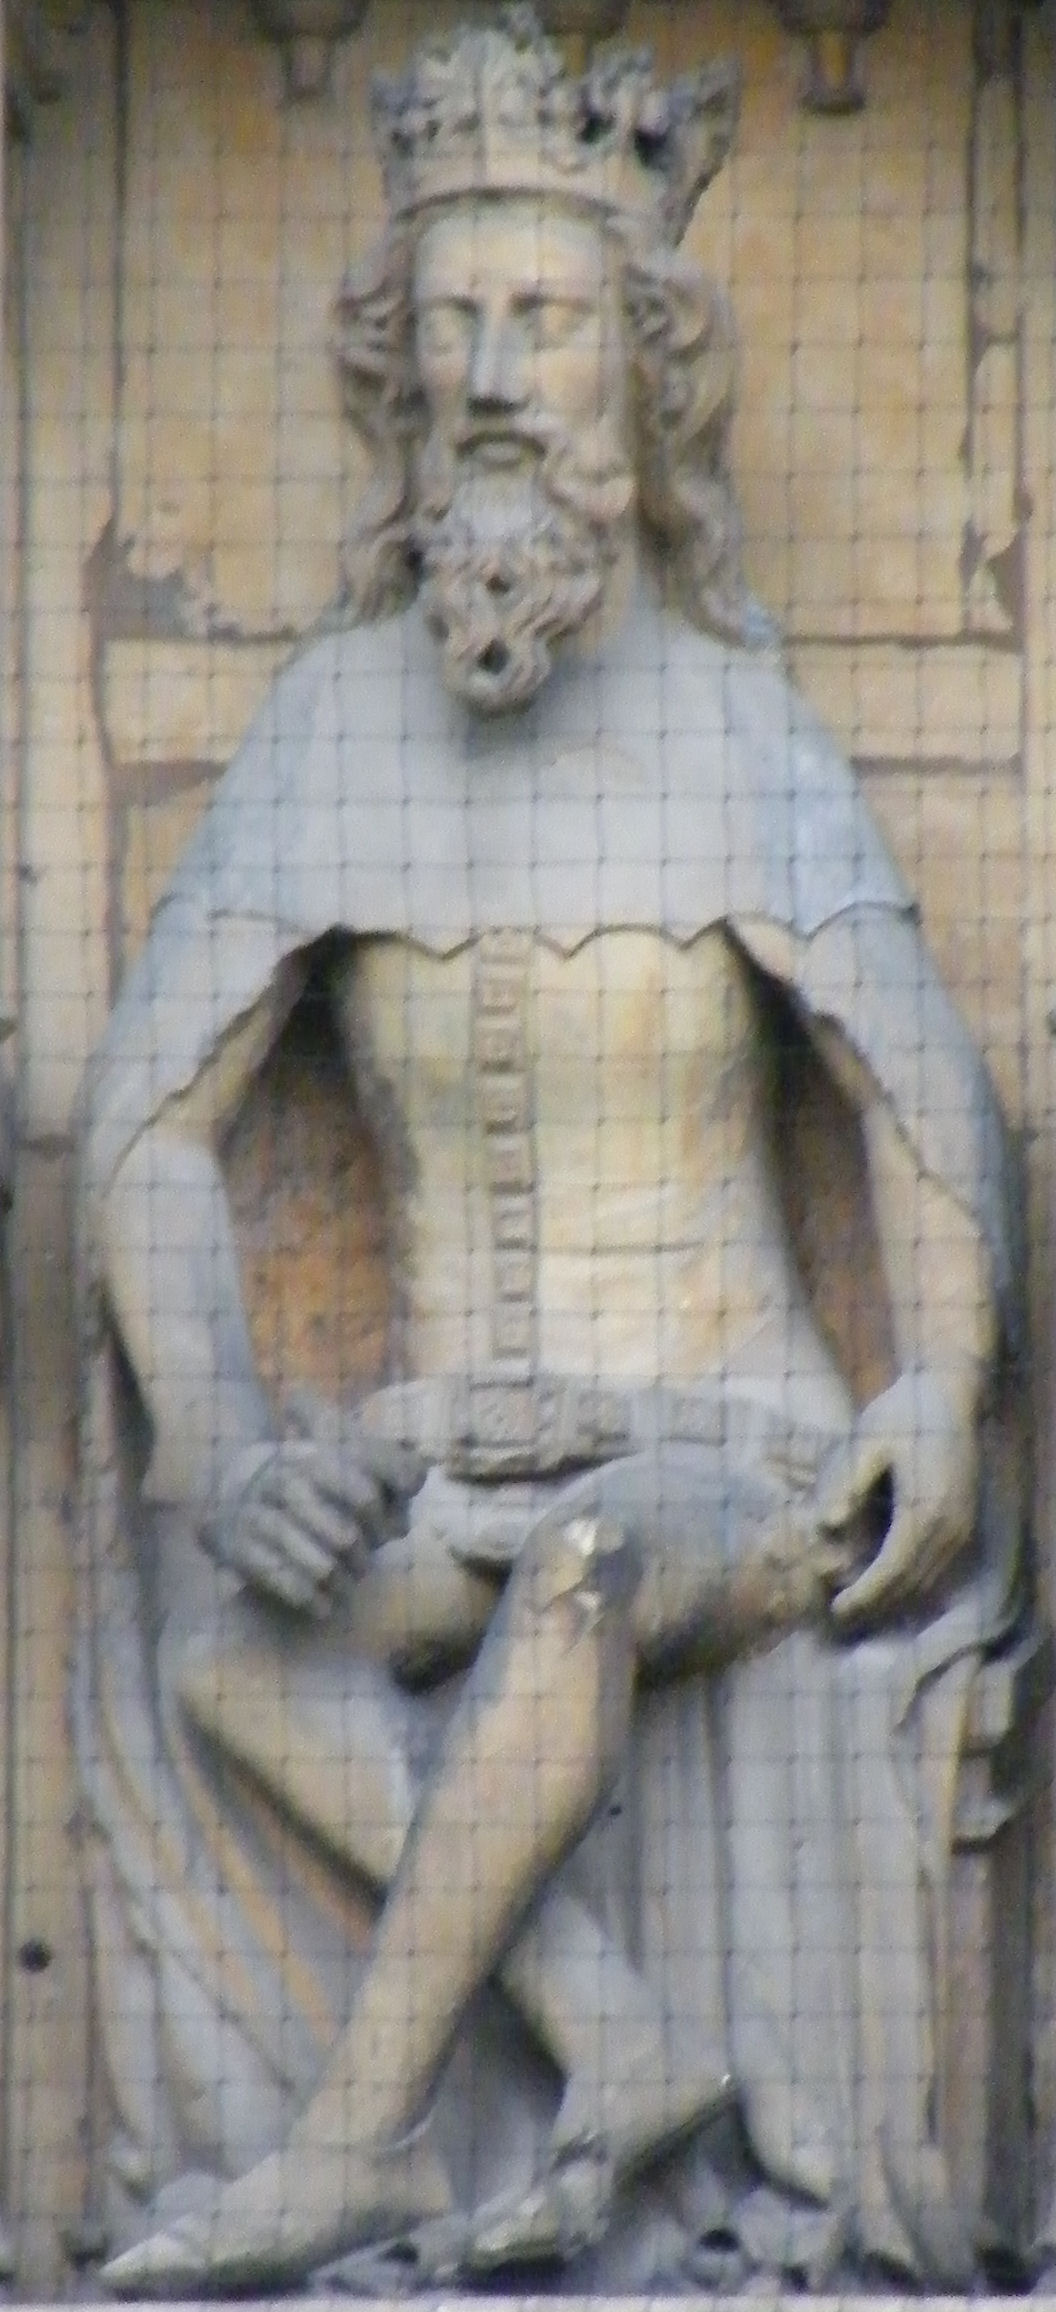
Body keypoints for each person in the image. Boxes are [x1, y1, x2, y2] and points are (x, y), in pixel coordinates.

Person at [78, 12, 1022, 2294]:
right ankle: (615, 2036)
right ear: (397, 376)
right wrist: (226, 1431)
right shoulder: (326, 730)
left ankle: (352, 2144)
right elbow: (146, 1131)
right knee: (225, 1653)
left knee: (584, 1568)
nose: (496, 377)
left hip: (727, 1455)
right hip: (444, 1453)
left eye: (549, 319)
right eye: (454, 326)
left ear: (644, 371)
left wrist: (935, 1390)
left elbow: (920, 1102)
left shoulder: (743, 733)